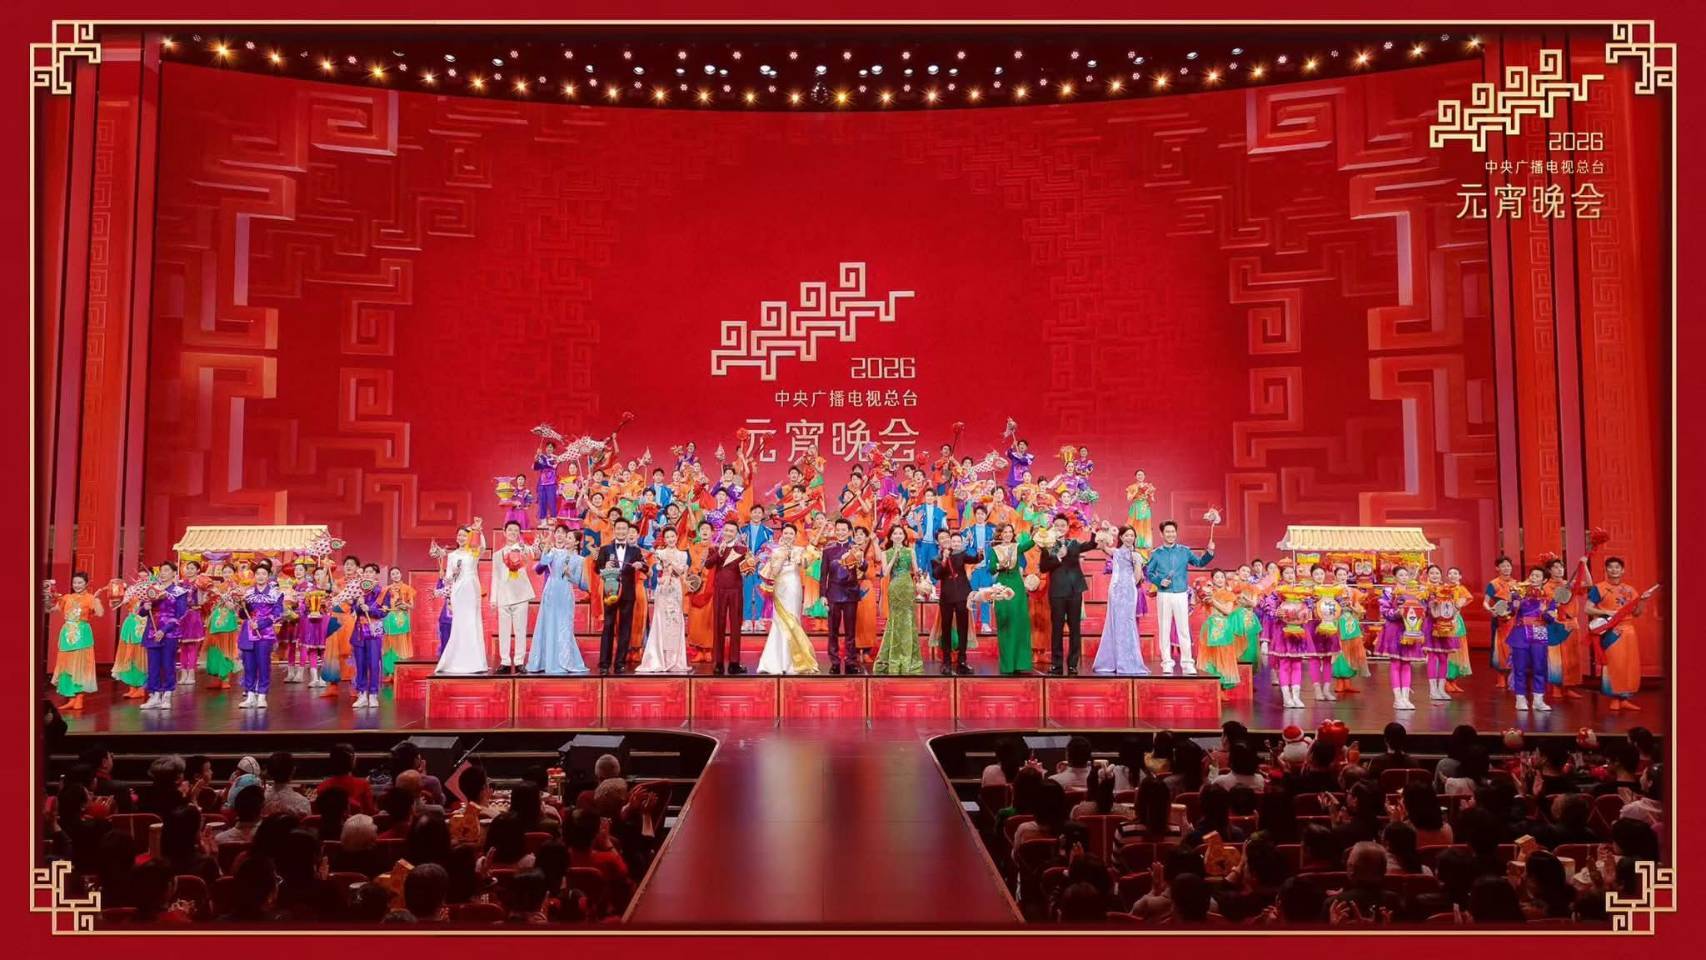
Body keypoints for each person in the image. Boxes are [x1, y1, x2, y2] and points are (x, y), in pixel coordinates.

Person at [1586, 556, 1656, 711]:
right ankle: (1614, 698)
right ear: (1606, 570)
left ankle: (1624, 698)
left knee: (1629, 665)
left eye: (1617, 567)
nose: (1614, 570)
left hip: (1629, 631)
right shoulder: (1599, 588)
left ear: (1623, 570)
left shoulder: (1630, 590)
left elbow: (1636, 613)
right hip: (1611, 631)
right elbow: (1588, 608)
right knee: (1614, 665)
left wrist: (1643, 601)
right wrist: (1607, 612)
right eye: (1610, 567)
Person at [1144, 520, 1215, 674]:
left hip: (1181, 593)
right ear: (1162, 534)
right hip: (1164, 594)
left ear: (1176, 533)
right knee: (1164, 628)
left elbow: (1199, 562)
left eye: (1173, 531)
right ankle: (1167, 663)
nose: (1171, 534)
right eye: (1167, 532)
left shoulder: (1184, 551)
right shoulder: (1156, 553)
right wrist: (1159, 581)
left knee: (1183, 629)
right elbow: (1149, 572)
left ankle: (1187, 663)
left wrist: (1209, 552)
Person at [754, 525, 821, 675]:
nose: (788, 535)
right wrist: (782, 556)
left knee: (793, 619)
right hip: (780, 588)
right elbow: (773, 572)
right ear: (781, 535)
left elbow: (805, 565)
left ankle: (795, 662)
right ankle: (775, 662)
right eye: (786, 533)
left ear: (795, 536)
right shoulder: (775, 551)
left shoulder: (799, 550)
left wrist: (810, 550)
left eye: (791, 533)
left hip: (794, 587)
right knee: (779, 621)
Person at [1038, 513, 1097, 675]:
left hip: (1074, 591)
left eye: (1062, 525)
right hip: (1057, 592)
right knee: (1057, 628)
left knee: (1074, 628)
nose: (1060, 528)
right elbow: (1043, 567)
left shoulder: (1073, 543)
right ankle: (1056, 665)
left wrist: (1093, 531)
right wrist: (1058, 557)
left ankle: (1072, 664)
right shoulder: (1048, 546)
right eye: (1057, 525)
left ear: (1067, 527)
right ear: (1053, 527)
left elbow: (1091, 545)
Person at [1092, 527, 1150, 676]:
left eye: (1132, 535)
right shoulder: (1116, 552)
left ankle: (1128, 662)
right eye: (1126, 535)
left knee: (1127, 623)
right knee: (1114, 623)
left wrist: (1128, 585)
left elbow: (1138, 576)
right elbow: (1102, 546)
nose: (1130, 538)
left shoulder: (1136, 555)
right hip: (1115, 591)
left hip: (1129, 592)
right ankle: (1113, 661)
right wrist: (1104, 531)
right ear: (1122, 537)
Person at [435, 522, 489, 675]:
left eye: (464, 535)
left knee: (472, 622)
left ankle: (475, 662)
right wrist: (454, 573)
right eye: (459, 535)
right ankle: (456, 660)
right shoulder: (452, 556)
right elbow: (447, 578)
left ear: (469, 537)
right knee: (459, 624)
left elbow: (483, 547)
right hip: (458, 591)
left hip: (471, 589)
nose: (461, 538)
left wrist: (479, 531)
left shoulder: (473, 552)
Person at [44, 572, 103, 710]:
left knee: (80, 666)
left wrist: (96, 599)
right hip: (67, 635)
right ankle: (71, 699)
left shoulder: (89, 598)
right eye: (75, 582)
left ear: (86, 584)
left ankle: (79, 699)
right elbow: (50, 610)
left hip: (82, 635)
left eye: (80, 582)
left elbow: (100, 613)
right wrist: (47, 598)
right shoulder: (67, 597)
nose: (77, 585)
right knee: (66, 666)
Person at [595, 519, 647, 674]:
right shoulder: (605, 549)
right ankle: (604, 664)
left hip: (628, 593)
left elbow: (645, 566)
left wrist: (641, 565)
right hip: (610, 591)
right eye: (618, 528)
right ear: (614, 529)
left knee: (625, 628)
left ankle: (620, 663)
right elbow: (597, 568)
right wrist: (604, 566)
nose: (621, 531)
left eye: (624, 528)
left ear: (628, 530)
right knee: (608, 626)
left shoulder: (635, 551)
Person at [637, 527, 692, 673]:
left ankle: (675, 660)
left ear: (677, 537)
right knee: (661, 620)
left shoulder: (683, 555)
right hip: (663, 589)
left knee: (675, 620)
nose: (671, 539)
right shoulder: (659, 553)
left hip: (675, 589)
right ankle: (659, 658)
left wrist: (671, 565)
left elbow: (681, 573)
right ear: (664, 539)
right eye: (668, 537)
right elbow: (657, 573)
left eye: (673, 536)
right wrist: (664, 569)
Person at [873, 524, 924, 675]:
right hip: (894, 587)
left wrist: (919, 575)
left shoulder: (910, 551)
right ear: (890, 536)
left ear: (904, 536)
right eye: (895, 533)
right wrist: (894, 557)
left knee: (908, 619)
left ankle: (910, 659)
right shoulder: (885, 553)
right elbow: (885, 572)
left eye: (900, 533)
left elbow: (915, 571)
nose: (898, 536)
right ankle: (893, 657)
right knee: (895, 619)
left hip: (908, 587)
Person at [489, 520, 538, 674]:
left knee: (520, 630)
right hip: (503, 595)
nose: (513, 533)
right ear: (504, 532)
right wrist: (493, 598)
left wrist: (535, 545)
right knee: (503, 630)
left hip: (521, 595)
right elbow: (495, 576)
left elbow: (535, 552)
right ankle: (504, 662)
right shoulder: (498, 555)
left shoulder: (523, 549)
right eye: (510, 530)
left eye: (516, 530)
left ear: (519, 533)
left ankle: (519, 662)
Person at [986, 522, 1034, 674]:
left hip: (1017, 587)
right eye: (1005, 532)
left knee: (1020, 623)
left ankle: (1021, 663)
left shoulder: (1016, 547)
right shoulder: (995, 550)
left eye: (1010, 532)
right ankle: (1008, 665)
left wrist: (1040, 533)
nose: (1007, 534)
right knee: (1006, 623)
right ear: (1000, 534)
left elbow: (1031, 543)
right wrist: (1000, 565)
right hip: (1002, 587)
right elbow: (991, 569)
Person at [703, 522, 750, 675]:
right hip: (720, 590)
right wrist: (719, 553)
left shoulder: (742, 549)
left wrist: (750, 566)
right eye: (726, 530)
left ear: (736, 534)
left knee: (736, 625)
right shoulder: (715, 548)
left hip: (736, 590)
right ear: (723, 531)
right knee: (719, 624)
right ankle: (718, 662)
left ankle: (734, 663)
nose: (728, 533)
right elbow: (707, 565)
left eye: (732, 531)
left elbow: (748, 569)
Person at [139, 562, 188, 710]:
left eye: (166, 570)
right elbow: (142, 613)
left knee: (168, 664)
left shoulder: (179, 592)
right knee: (153, 665)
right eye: (161, 570)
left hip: (169, 633)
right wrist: (145, 607)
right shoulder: (152, 590)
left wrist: (164, 630)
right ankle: (154, 695)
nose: (163, 573)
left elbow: (180, 615)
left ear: (174, 573)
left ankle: (167, 694)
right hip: (152, 632)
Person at [932, 531, 981, 675]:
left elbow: (975, 559)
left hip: (962, 595)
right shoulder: (936, 558)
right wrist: (944, 559)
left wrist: (980, 554)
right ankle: (946, 661)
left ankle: (962, 661)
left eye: (947, 538)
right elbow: (936, 575)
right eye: (942, 539)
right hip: (946, 597)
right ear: (938, 542)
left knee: (963, 628)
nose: (945, 540)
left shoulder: (961, 554)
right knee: (946, 629)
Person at [819, 518, 864, 674]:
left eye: (844, 530)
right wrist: (822, 595)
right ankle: (835, 661)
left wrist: (860, 559)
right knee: (833, 631)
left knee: (851, 630)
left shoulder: (855, 549)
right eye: (838, 529)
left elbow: (864, 567)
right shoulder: (828, 550)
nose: (840, 532)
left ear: (850, 532)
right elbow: (823, 575)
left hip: (851, 594)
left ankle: (851, 661)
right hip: (833, 594)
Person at [350, 564, 389, 708]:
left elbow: (384, 612)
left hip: (374, 631)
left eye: (371, 572)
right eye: (365, 572)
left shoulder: (382, 592)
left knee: (373, 663)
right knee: (360, 663)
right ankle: (362, 694)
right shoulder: (358, 590)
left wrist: (370, 609)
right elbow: (353, 609)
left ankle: (373, 694)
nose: (367, 574)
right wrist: (358, 605)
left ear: (376, 574)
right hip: (359, 631)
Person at [316, 744, 376, 815]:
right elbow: (370, 811)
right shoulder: (363, 784)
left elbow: (319, 813)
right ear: (352, 760)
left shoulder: (323, 786)